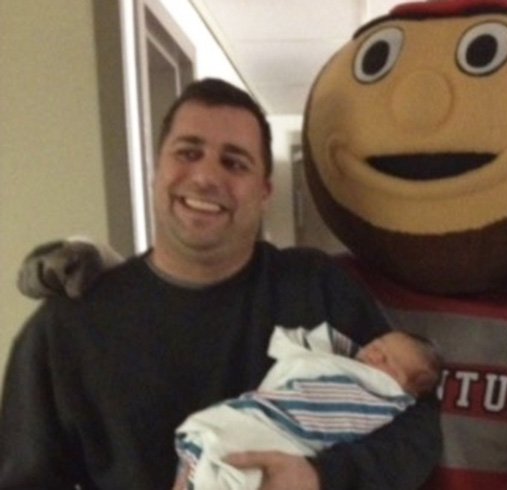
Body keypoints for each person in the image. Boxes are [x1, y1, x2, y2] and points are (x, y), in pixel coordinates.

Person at [0, 78, 441, 490]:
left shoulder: (315, 288)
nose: (207, 177)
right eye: (188, 153)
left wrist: (320, 477)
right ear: (157, 170)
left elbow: (418, 432)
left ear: (264, 192)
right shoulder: (68, 327)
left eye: (234, 162)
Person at [175, 324, 442, 490]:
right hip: (265, 419)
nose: (374, 354)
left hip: (292, 445)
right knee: (220, 445)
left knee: (228, 455)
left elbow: (412, 442)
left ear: (404, 389)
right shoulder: (338, 358)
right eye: (376, 346)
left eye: (387, 361)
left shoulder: (386, 397)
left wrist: (322, 475)